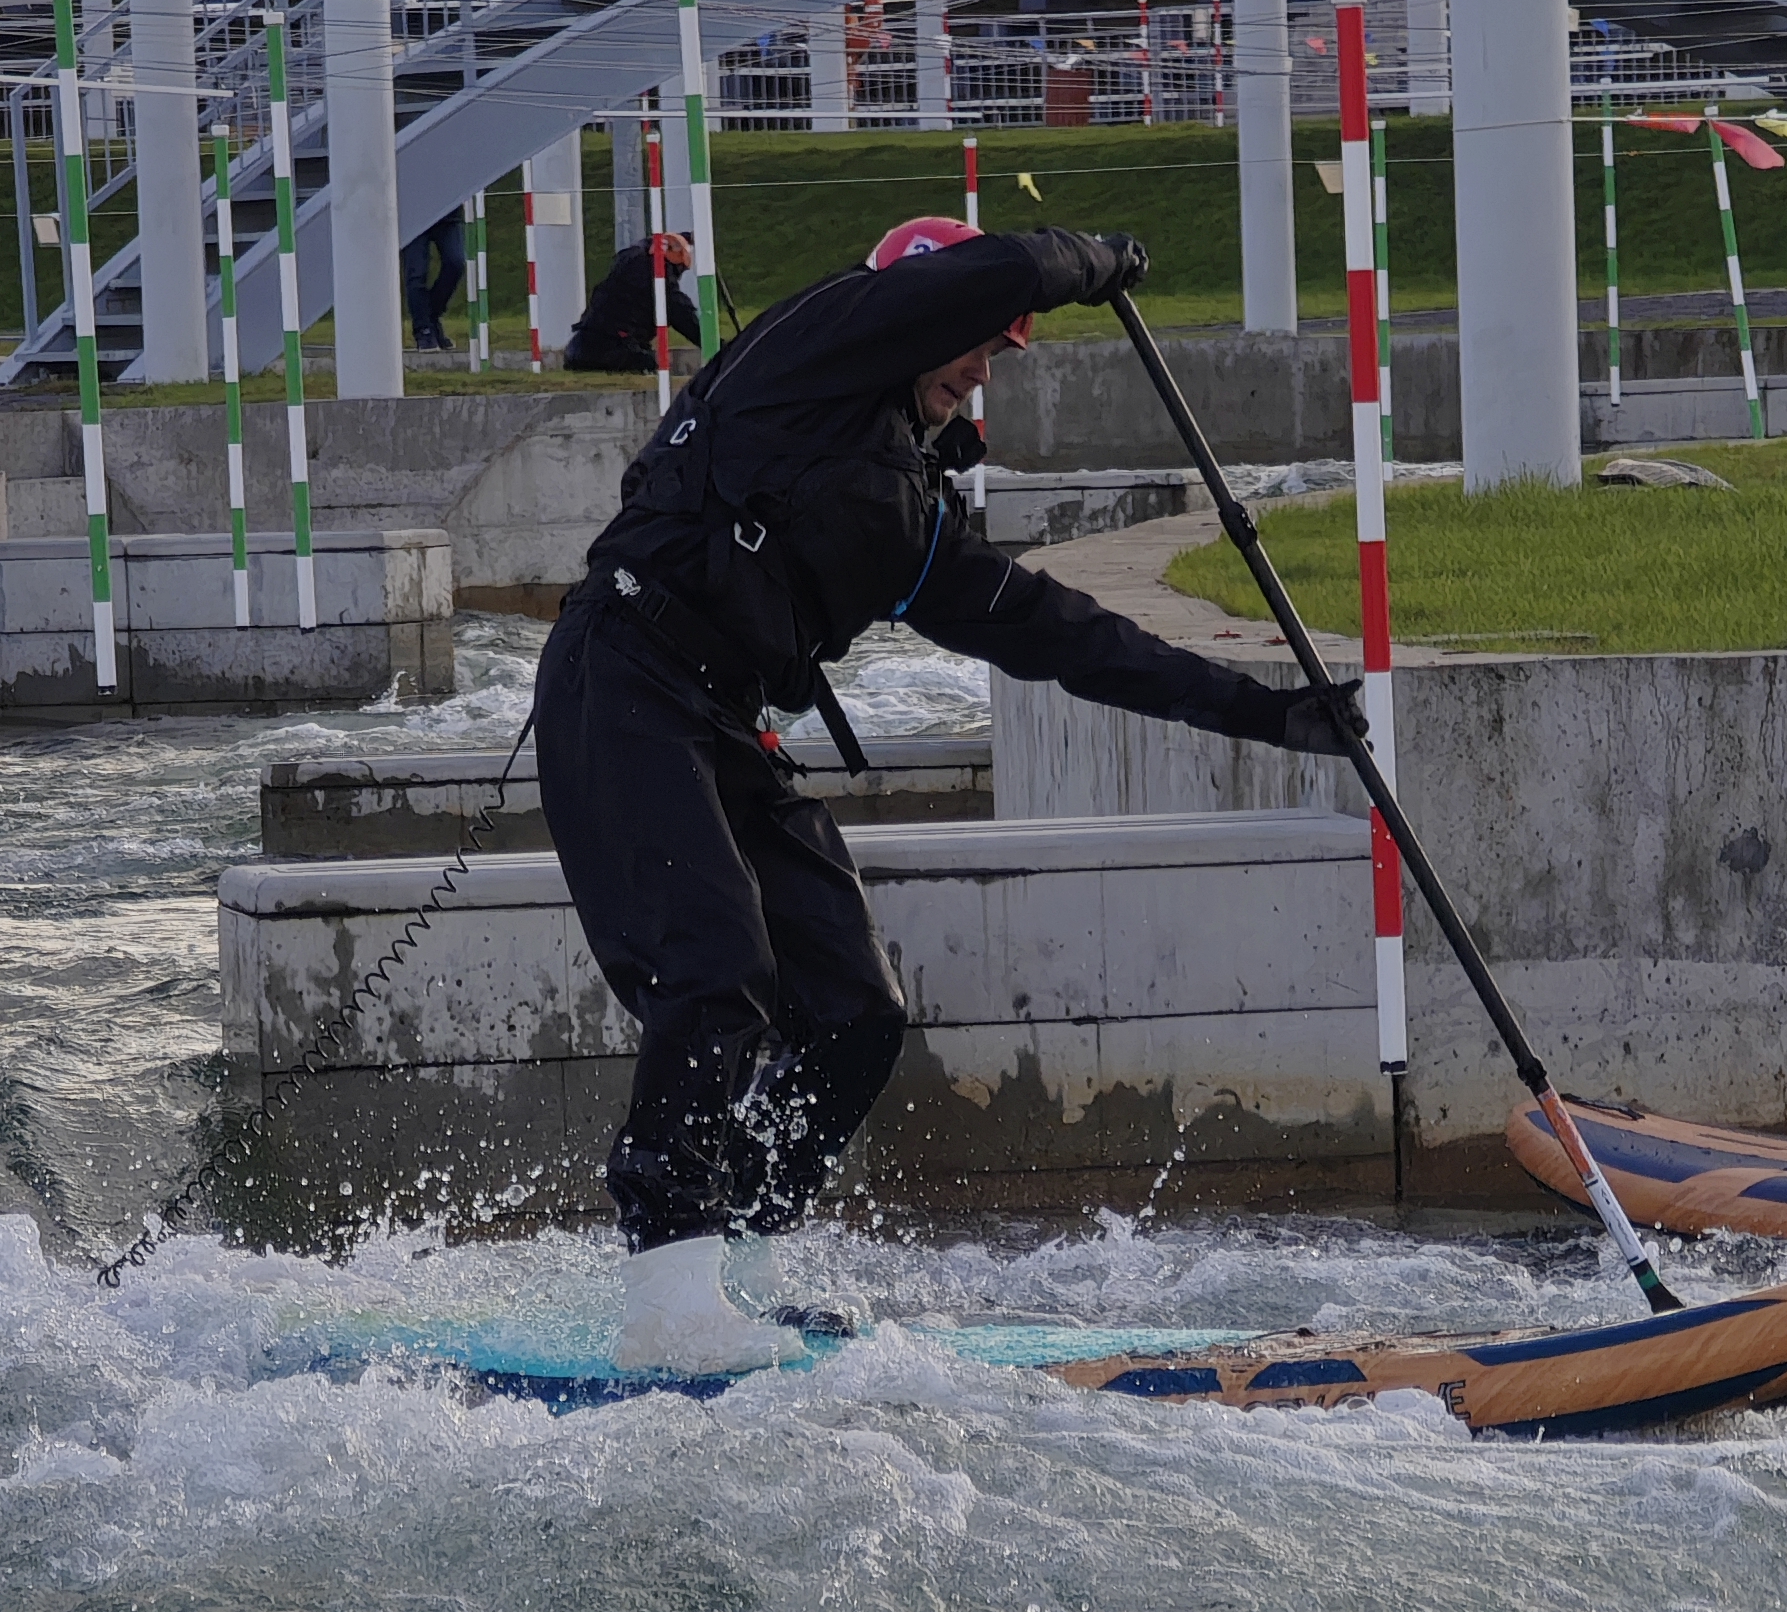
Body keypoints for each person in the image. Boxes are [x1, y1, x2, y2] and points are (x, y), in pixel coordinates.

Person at [531, 212, 1365, 1366]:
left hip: (720, 720)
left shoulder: (910, 512)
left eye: (1002, 349)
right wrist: (1099, 258)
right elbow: (1009, 266)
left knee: (855, 1008)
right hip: (619, 679)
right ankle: (665, 1298)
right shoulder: (810, 353)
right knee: (714, 971)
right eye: (975, 339)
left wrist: (1270, 713)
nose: (984, 366)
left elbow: (1066, 637)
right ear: (915, 311)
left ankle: (739, 1266)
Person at [563, 230, 697, 374]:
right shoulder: (660, 284)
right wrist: (718, 348)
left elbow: (652, 244)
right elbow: (684, 317)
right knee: (649, 364)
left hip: (578, 346)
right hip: (612, 350)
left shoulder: (629, 261)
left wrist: (687, 237)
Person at [401, 205, 467, 355]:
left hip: (447, 211)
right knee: (417, 274)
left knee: (455, 263)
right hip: (412, 216)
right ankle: (423, 330)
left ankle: (431, 316)